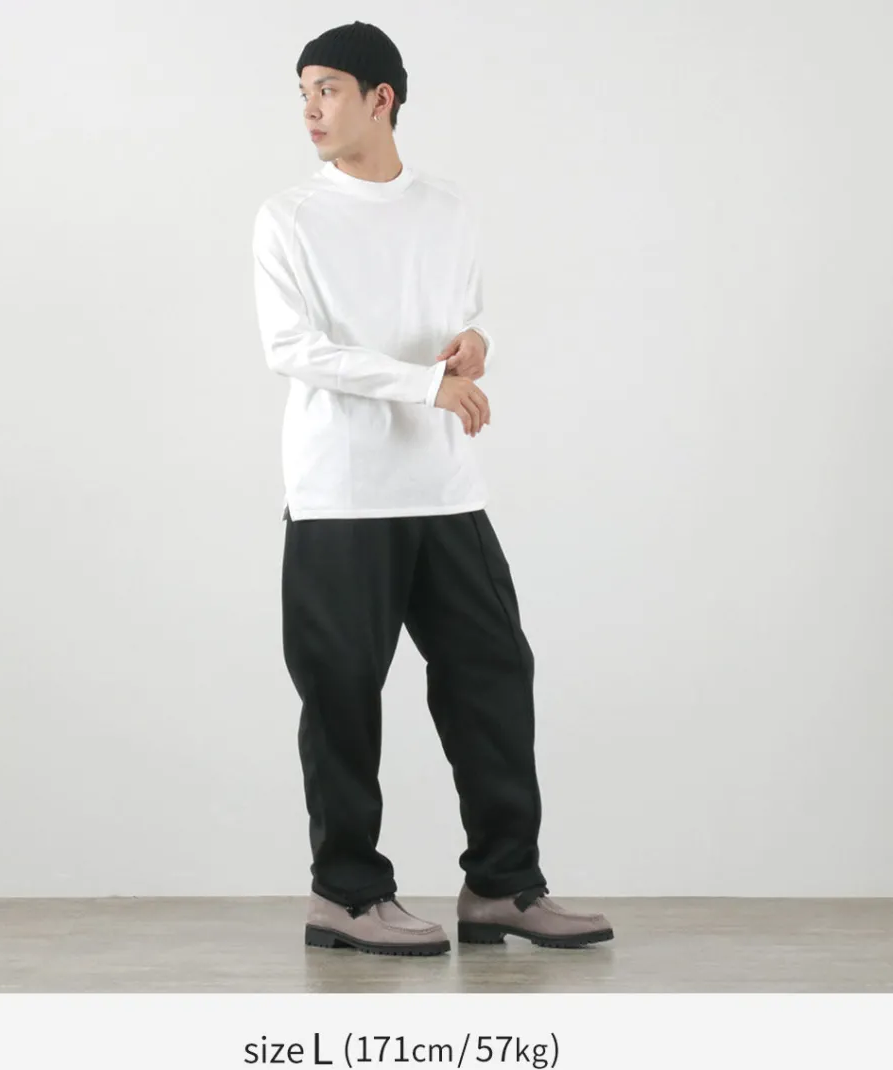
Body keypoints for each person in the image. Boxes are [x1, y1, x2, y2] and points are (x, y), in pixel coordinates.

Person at [251, 20, 614, 956]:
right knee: (342, 694)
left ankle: (503, 885)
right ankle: (345, 895)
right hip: (341, 494)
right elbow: (293, 349)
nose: (310, 111)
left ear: (383, 98)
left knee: (493, 675)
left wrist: (473, 344)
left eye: (328, 89)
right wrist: (424, 384)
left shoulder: (449, 209)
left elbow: (461, 316)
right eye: (303, 93)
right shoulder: (290, 217)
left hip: (445, 487)